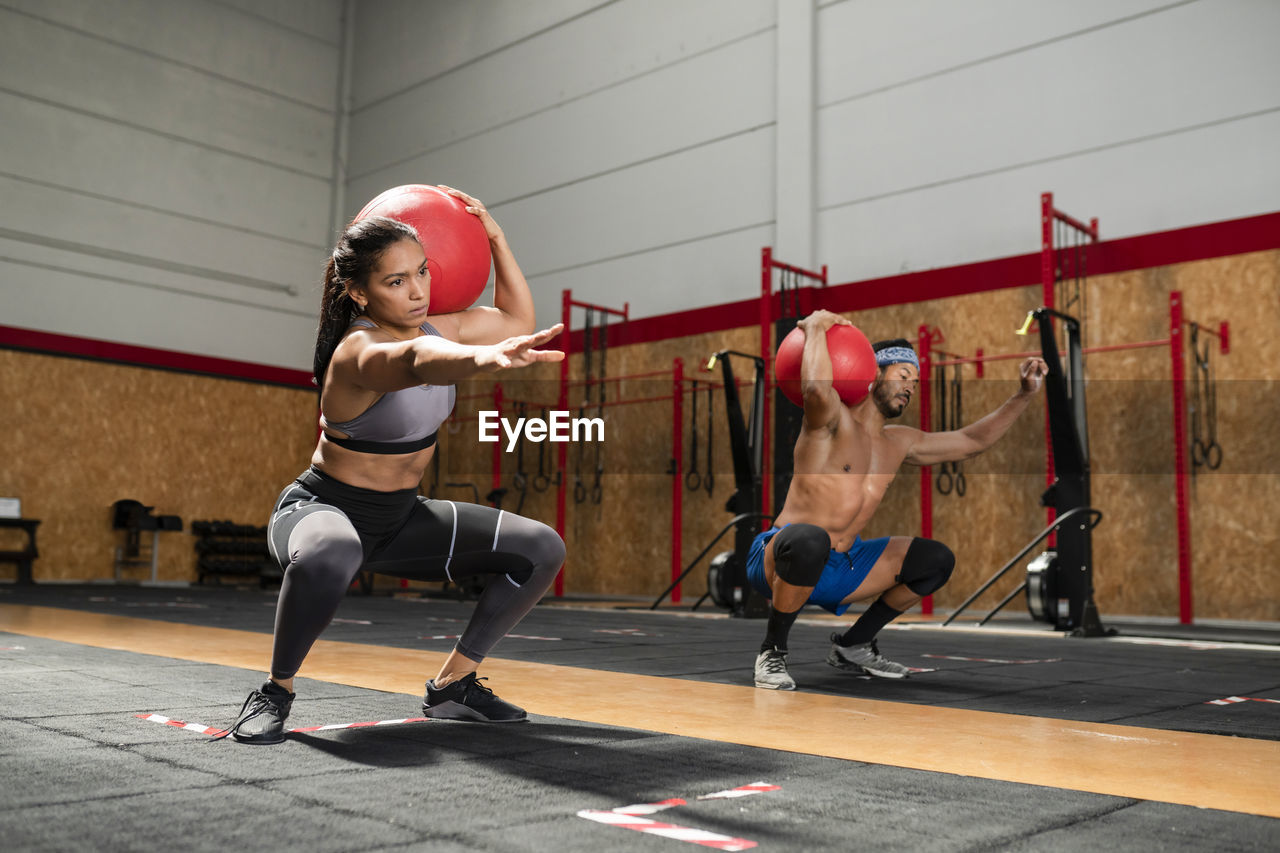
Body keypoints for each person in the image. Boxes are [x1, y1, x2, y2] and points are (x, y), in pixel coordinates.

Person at [222, 186, 567, 743]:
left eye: (423, 272)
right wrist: (482, 357)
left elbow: (514, 316)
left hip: (401, 519)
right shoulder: (357, 353)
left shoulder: (443, 327)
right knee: (336, 549)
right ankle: (275, 690)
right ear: (357, 292)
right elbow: (413, 361)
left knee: (543, 548)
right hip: (322, 512)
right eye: (396, 281)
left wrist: (494, 238)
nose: (418, 292)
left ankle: (454, 684)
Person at [750, 309, 1047, 690]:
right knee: (811, 539)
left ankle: (854, 645)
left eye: (915, 382)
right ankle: (772, 651)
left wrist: (1023, 396)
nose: (910, 387)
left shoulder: (899, 441)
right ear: (873, 373)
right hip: (781, 557)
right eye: (903, 375)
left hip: (841, 566)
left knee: (935, 560)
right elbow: (814, 389)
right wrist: (815, 328)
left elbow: (973, 442)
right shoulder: (830, 419)